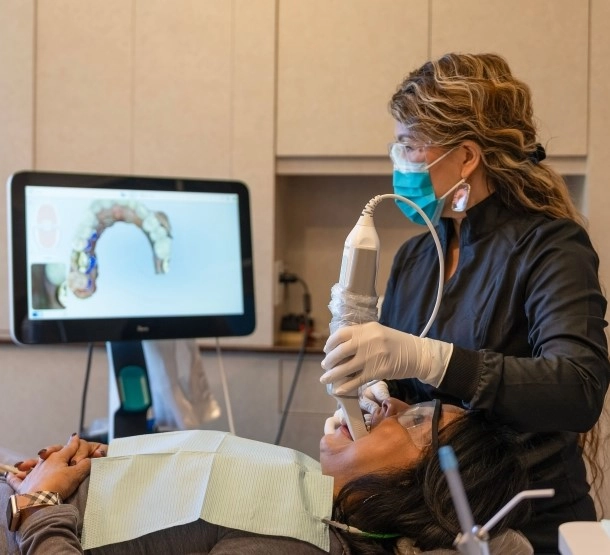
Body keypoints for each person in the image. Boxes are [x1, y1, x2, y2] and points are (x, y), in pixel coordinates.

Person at [320, 52, 610, 554]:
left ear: (467, 157)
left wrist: (430, 358)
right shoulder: (417, 255)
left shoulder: (549, 247)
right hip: (429, 518)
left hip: (527, 521)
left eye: (410, 145)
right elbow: (407, 394)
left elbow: (578, 388)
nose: (399, 158)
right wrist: (373, 403)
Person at [1, 398, 535, 554]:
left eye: (416, 420)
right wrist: (115, 464)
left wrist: (39, 507)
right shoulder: (310, 496)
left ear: (417, 488)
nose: (383, 407)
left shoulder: (295, 546)